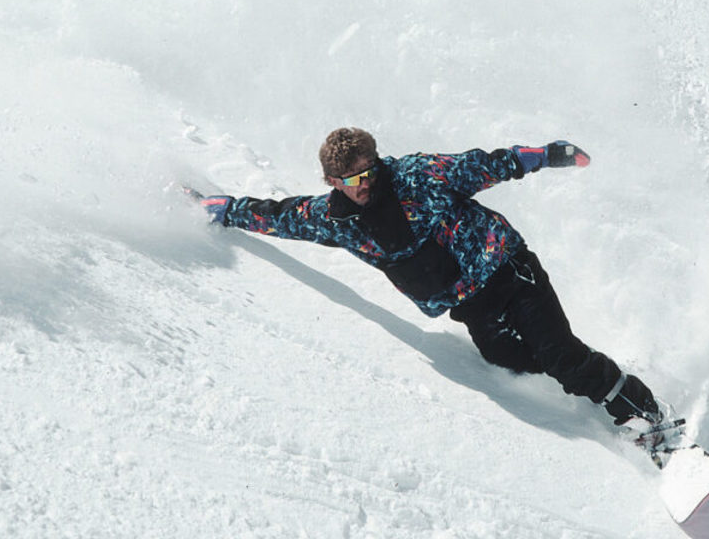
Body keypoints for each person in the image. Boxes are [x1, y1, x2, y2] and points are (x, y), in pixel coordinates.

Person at [189, 127, 665, 430]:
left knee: (558, 353)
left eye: (370, 172)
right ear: (333, 181)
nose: (366, 185)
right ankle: (585, 387)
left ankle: (647, 418)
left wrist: (541, 155)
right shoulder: (336, 219)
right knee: (508, 360)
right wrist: (228, 210)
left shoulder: (418, 176)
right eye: (352, 180)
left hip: (508, 270)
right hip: (471, 305)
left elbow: (480, 165)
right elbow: (284, 216)